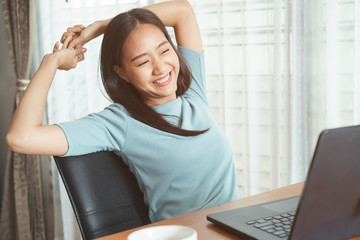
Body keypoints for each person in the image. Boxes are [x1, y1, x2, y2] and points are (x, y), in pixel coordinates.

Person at [6, 0, 240, 222]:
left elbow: (183, 11)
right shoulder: (119, 123)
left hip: (236, 223)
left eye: (164, 50)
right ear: (122, 73)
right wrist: (51, 62)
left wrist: (101, 27)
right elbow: (21, 138)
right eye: (142, 62)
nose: (160, 67)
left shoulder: (193, 93)